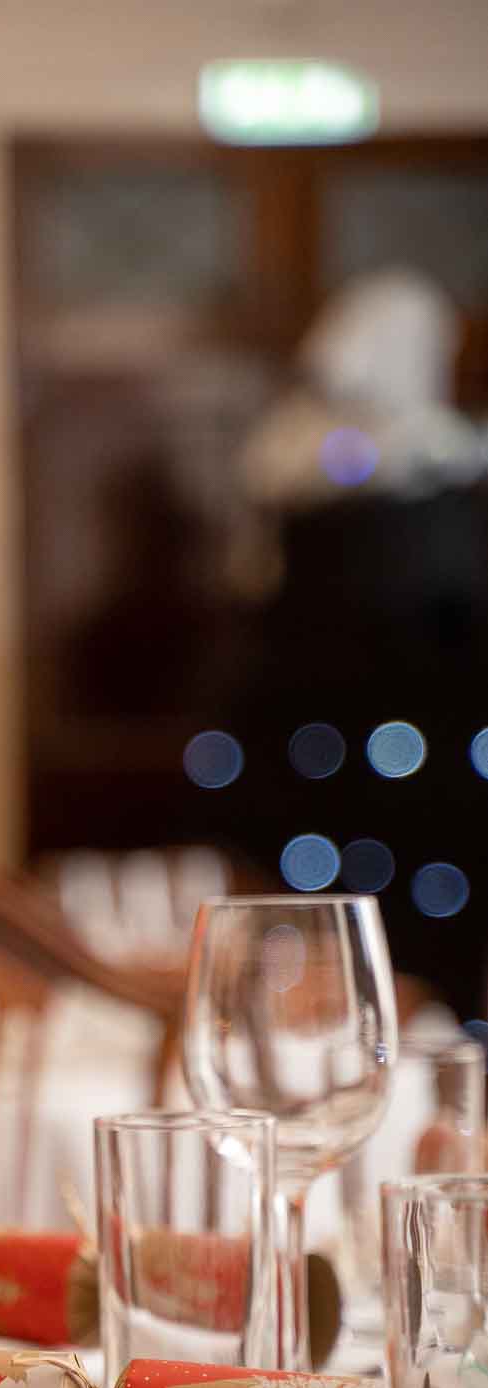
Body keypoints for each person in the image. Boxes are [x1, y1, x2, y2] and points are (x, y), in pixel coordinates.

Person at [207, 269, 488, 1018]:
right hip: (318, 742)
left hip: (431, 750)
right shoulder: (304, 452)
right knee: (310, 943)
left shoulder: (446, 459)